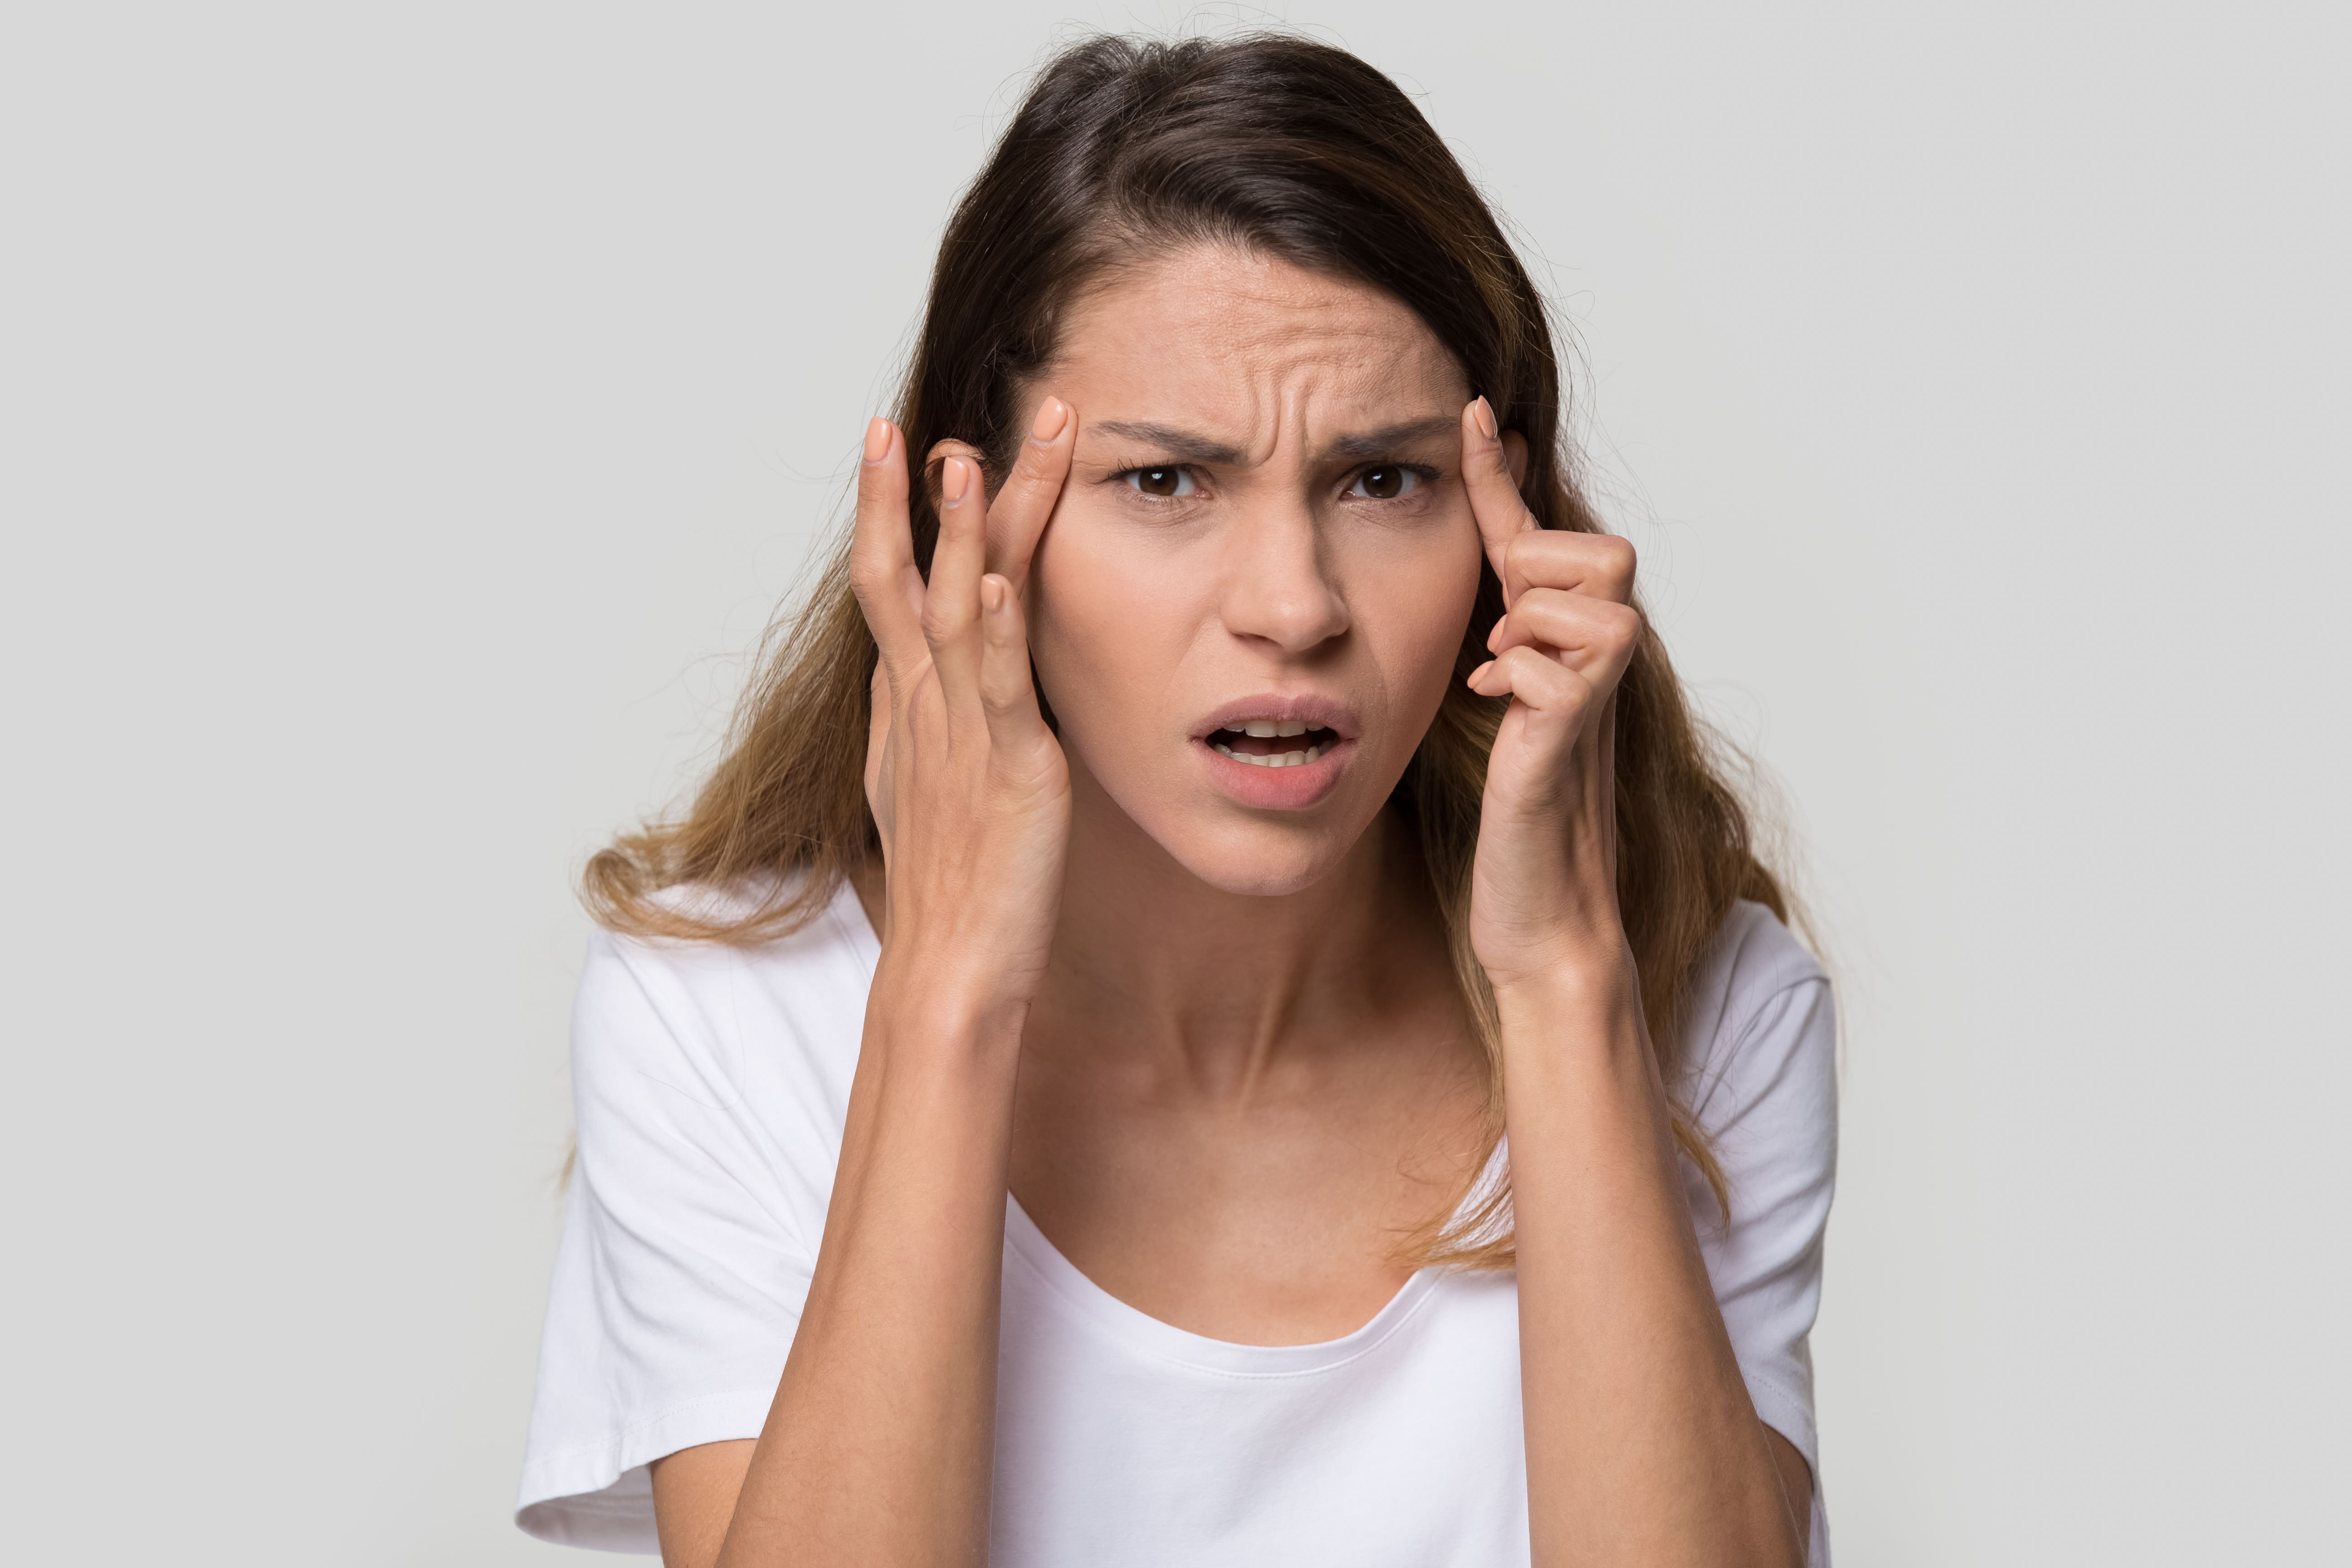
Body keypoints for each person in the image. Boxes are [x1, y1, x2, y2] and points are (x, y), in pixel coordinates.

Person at [515, 31, 1836, 1568]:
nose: (1292, 606)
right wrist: (945, 996)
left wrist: (1560, 990)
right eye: (1165, 483)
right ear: (975, 529)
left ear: (1509, 530)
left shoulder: (1693, 1004)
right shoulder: (724, 1011)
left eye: (1383, 481)